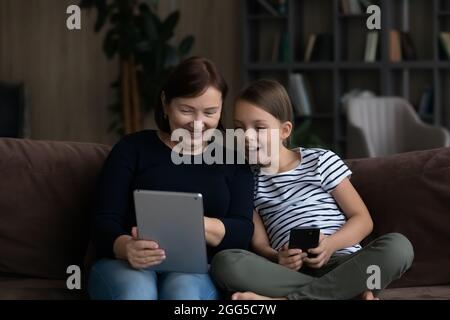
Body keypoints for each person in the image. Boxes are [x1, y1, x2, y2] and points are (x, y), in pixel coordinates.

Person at [210, 79, 414, 300]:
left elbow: (363, 220)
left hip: (345, 263)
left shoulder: (320, 160)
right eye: (240, 128)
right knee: (225, 263)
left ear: (284, 130)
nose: (247, 137)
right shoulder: (247, 179)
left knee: (399, 248)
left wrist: (330, 245)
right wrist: (280, 256)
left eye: (259, 128)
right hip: (291, 272)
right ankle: (347, 294)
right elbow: (260, 244)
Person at [88, 57, 254, 300]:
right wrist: (126, 247)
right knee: (137, 291)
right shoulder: (132, 148)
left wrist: (195, 223)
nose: (198, 124)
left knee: (183, 294)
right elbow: (102, 219)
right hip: (127, 263)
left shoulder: (234, 159)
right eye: (186, 110)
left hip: (196, 271)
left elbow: (242, 230)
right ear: (166, 103)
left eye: (210, 112)